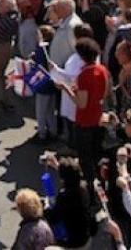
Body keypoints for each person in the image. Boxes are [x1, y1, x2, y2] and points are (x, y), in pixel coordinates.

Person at [71, 36, 111, 194]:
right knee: (97, 153)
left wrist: (68, 90)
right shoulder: (102, 70)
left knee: (85, 156)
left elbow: (81, 103)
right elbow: (106, 92)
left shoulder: (83, 76)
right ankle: (100, 182)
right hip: (98, 118)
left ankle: (90, 187)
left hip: (85, 121)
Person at [43, 155, 93, 250]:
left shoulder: (65, 196)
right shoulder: (84, 187)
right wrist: (57, 165)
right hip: (86, 237)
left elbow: (53, 218)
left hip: (74, 244)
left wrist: (46, 207)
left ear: (63, 179)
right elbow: (72, 175)